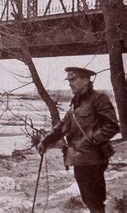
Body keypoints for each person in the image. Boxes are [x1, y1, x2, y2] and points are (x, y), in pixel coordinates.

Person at [37, 67, 119, 213]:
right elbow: (63, 126)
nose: (70, 83)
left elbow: (112, 125)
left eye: (73, 80)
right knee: (88, 199)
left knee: (95, 200)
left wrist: (91, 140)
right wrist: (45, 142)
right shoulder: (76, 102)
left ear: (86, 80)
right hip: (79, 159)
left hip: (94, 159)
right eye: (69, 80)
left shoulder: (99, 99)